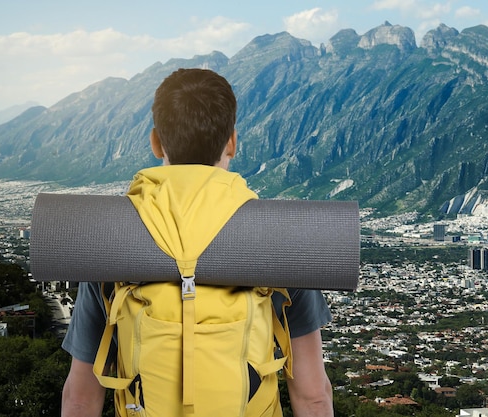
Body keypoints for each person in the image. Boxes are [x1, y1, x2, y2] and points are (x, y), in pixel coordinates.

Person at [61, 68, 334, 417]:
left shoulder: (114, 239)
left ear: (156, 141)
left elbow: (81, 400)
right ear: (232, 141)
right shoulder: (277, 238)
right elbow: (313, 397)